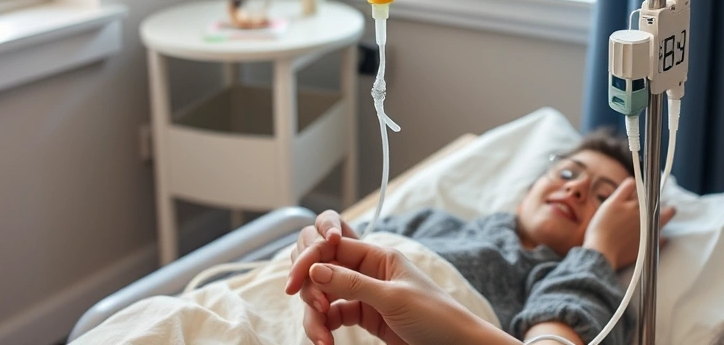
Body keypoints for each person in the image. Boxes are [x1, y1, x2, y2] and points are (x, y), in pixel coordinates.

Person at [285, 128, 677, 345]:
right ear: (526, 194)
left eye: (603, 198)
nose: (575, 190)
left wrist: (601, 252)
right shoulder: (431, 223)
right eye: (568, 174)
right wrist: (334, 251)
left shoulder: (564, 286)